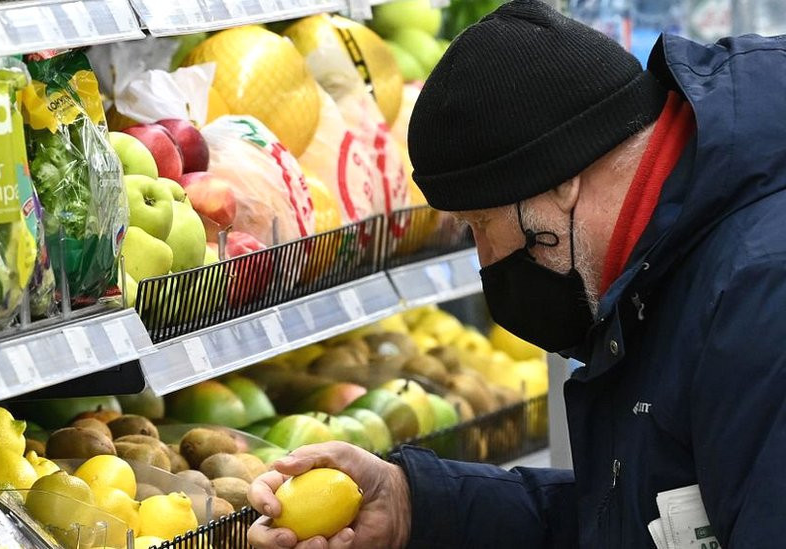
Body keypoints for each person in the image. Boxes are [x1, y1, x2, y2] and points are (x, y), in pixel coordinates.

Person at [246, 0, 786, 547]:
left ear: (560, 181)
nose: (485, 259)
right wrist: (417, 504)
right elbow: (639, 519)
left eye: (481, 223)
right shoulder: (668, 264)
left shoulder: (761, 299)